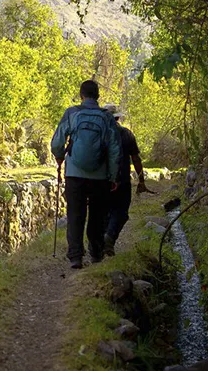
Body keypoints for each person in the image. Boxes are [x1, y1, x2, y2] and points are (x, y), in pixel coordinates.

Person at [50, 80, 121, 269]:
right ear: (98, 96)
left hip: (74, 174)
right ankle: (96, 253)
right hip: (100, 176)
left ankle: (75, 257)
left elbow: (57, 142)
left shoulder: (72, 113)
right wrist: (113, 176)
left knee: (75, 214)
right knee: (97, 215)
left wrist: (59, 158)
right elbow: (115, 149)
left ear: (81, 95)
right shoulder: (106, 118)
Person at [102, 104, 149, 256]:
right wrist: (141, 180)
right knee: (121, 212)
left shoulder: (98, 134)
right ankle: (109, 239)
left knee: (104, 211)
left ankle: (101, 242)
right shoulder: (126, 134)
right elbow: (136, 159)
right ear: (117, 117)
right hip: (121, 179)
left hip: (101, 179)